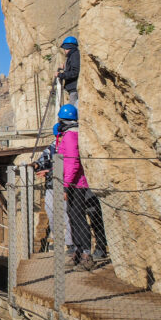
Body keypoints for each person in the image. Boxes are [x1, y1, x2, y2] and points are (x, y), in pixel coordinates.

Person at [57, 104, 106, 269]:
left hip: (76, 184)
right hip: (74, 182)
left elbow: (72, 162)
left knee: (78, 218)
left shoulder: (70, 136)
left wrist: (66, 185)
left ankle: (86, 254)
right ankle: (78, 251)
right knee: (73, 217)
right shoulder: (72, 134)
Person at [34, 122, 72, 254]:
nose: (60, 139)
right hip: (52, 186)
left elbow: (66, 166)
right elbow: (43, 159)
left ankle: (70, 244)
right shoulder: (53, 147)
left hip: (65, 186)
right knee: (52, 213)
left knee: (67, 214)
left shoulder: (70, 145)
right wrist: (36, 165)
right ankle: (59, 241)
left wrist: (48, 172)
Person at [56, 36, 80, 106]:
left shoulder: (74, 55)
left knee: (72, 109)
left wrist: (60, 75)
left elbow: (75, 72)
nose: (65, 50)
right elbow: (72, 68)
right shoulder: (72, 55)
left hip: (74, 89)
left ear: (70, 48)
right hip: (72, 88)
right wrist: (65, 68)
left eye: (66, 48)